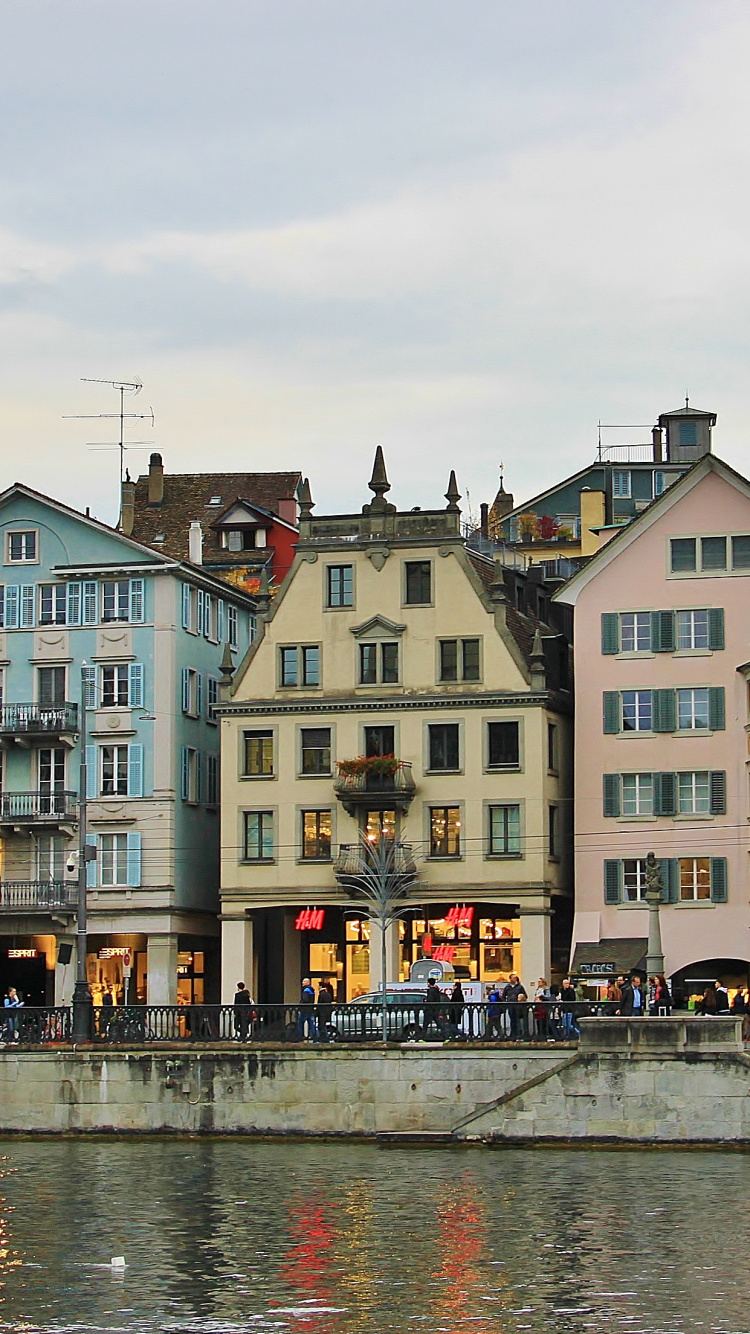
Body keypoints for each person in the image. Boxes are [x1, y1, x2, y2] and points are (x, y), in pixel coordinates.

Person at [502, 973, 528, 1041]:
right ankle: (512, 1034)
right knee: (512, 1019)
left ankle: (518, 1034)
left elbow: (525, 995)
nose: (515, 979)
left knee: (517, 1020)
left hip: (518, 1005)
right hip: (510, 1005)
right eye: (513, 978)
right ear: (510, 979)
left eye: (515, 978)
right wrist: (506, 1002)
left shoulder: (520, 986)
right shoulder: (507, 987)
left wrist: (521, 999)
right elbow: (503, 996)